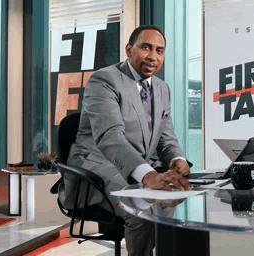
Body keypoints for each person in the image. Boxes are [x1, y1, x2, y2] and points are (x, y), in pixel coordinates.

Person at [57, 25, 193, 256]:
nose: (153, 57)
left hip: (136, 166)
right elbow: (110, 137)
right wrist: (148, 175)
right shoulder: (104, 80)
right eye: (146, 48)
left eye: (159, 51)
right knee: (140, 205)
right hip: (97, 164)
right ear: (129, 50)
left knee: (179, 199)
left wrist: (178, 158)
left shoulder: (162, 88)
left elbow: (166, 137)